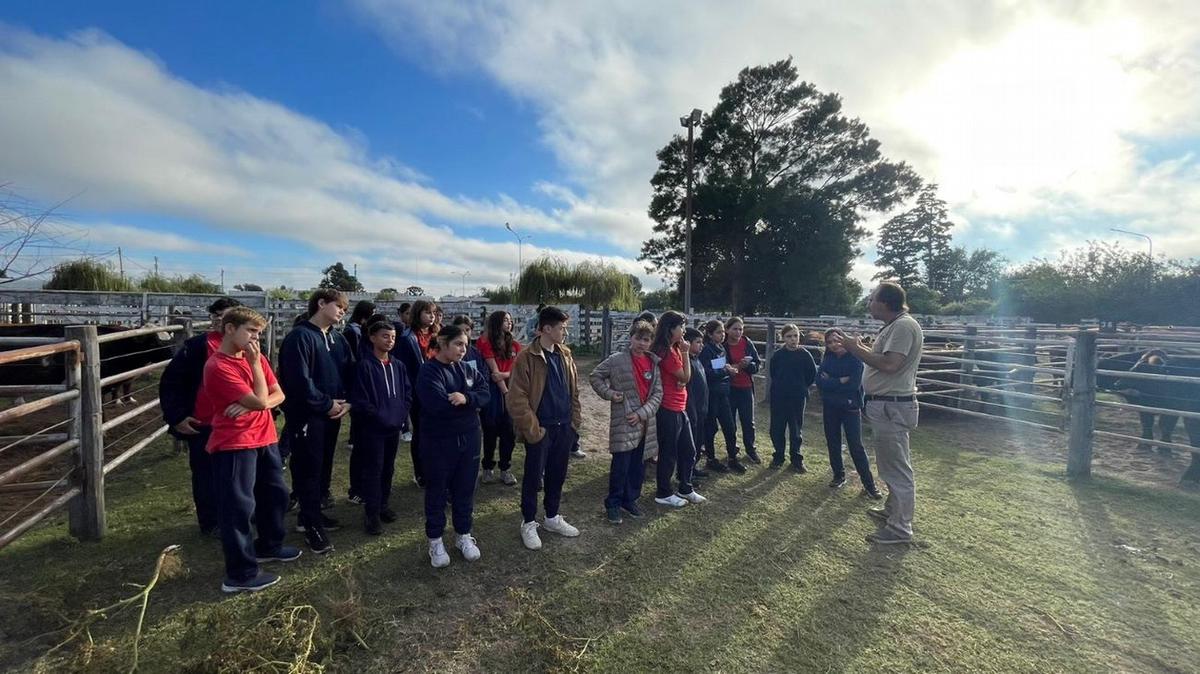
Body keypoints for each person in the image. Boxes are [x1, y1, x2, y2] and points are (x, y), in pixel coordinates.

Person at [200, 306, 297, 592]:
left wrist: (258, 401)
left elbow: (277, 394)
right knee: (238, 507)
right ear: (230, 329)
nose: (256, 339)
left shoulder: (257, 358)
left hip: (265, 436)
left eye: (259, 333)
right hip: (235, 442)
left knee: (275, 493)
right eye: (251, 331)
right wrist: (257, 382)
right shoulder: (218, 365)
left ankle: (268, 544)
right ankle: (240, 573)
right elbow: (259, 398)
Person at [829, 282, 923, 545]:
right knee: (891, 463)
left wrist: (854, 348)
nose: (868, 304)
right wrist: (860, 348)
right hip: (887, 404)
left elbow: (890, 364)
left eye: (871, 300)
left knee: (896, 468)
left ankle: (900, 529)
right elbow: (885, 359)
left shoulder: (904, 326)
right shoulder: (896, 325)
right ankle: (893, 512)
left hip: (892, 405)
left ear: (885, 302)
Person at [159, 296, 242, 537]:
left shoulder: (249, 346)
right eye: (216, 316)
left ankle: (239, 515)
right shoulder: (197, 346)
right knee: (206, 475)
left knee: (240, 474)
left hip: (240, 424)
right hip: (205, 424)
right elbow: (171, 382)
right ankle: (211, 521)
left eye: (225, 316)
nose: (220, 321)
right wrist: (176, 416)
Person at [278, 289, 351, 554]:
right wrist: (326, 403)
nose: (343, 311)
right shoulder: (300, 337)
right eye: (339, 305)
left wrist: (347, 400)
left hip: (333, 413)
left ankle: (314, 513)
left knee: (324, 465)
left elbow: (348, 370)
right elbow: (299, 382)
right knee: (308, 468)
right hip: (308, 416)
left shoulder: (337, 339)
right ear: (321, 303)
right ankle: (311, 525)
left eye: (345, 307)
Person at [508, 306, 582, 550]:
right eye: (561, 328)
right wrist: (534, 431)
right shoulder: (526, 357)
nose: (565, 332)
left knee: (557, 475)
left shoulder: (565, 355)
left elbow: (574, 392)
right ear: (546, 329)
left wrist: (573, 424)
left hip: (563, 428)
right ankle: (528, 522)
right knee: (532, 478)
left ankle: (552, 517)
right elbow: (517, 398)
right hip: (541, 430)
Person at [416, 324, 490, 567]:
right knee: (437, 489)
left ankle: (463, 535)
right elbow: (438, 405)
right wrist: (469, 405)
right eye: (458, 344)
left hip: (469, 438)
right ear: (443, 343)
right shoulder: (429, 372)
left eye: (466, 345)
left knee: (465, 488)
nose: (463, 349)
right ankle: (435, 540)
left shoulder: (466, 369)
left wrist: (466, 398)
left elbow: (484, 392)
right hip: (439, 441)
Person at [589, 320, 663, 524]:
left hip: (645, 423)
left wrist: (642, 414)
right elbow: (595, 376)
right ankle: (613, 503)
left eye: (646, 340)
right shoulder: (616, 360)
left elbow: (658, 394)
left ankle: (630, 500)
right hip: (624, 422)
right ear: (631, 338)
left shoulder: (654, 363)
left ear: (650, 342)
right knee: (621, 465)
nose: (641, 343)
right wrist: (611, 394)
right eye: (638, 338)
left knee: (637, 466)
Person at [347, 319, 411, 535]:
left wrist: (401, 414)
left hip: (393, 427)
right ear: (373, 337)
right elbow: (360, 399)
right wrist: (379, 416)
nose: (390, 341)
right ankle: (371, 513)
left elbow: (406, 394)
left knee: (388, 468)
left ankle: (383, 505)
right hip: (373, 429)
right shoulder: (364, 366)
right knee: (373, 469)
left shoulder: (398, 366)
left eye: (393, 337)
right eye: (385, 336)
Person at [817, 328, 882, 499]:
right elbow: (819, 383)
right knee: (833, 441)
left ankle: (869, 485)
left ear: (844, 340)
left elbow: (852, 385)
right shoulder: (827, 359)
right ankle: (838, 475)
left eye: (836, 340)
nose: (833, 345)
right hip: (831, 406)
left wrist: (830, 381)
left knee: (855, 445)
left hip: (850, 407)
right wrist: (839, 381)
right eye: (829, 342)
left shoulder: (855, 360)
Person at [650, 311, 705, 507]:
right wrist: (685, 353)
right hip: (668, 407)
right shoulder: (665, 350)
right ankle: (663, 492)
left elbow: (682, 377)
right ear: (670, 328)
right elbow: (684, 377)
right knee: (669, 452)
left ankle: (685, 487)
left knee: (688, 449)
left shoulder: (673, 348)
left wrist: (682, 359)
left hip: (680, 406)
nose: (683, 330)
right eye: (681, 326)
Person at [394, 300, 439, 487]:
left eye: (434, 313)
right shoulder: (407, 337)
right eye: (427, 312)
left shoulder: (437, 335)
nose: (432, 316)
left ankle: (434, 469)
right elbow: (403, 368)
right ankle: (420, 473)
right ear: (418, 313)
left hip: (438, 388)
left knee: (437, 432)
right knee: (421, 432)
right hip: (418, 391)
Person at [478, 310, 522, 486]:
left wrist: (505, 379)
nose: (509, 323)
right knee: (490, 430)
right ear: (496, 323)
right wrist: (505, 391)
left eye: (510, 321)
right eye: (505, 320)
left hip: (509, 389)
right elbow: (493, 374)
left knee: (508, 432)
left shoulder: (515, 346)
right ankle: (488, 467)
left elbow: (514, 372)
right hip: (492, 391)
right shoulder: (485, 343)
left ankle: (505, 468)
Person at [768, 324, 817, 472]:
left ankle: (796, 459)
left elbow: (811, 374)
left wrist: (801, 387)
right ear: (783, 338)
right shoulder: (778, 355)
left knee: (796, 429)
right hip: (779, 397)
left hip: (797, 397)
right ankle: (778, 457)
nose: (793, 339)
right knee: (777, 428)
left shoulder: (805, 355)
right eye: (789, 336)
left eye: (795, 336)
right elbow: (773, 373)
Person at [699, 320, 745, 473]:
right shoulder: (706, 350)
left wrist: (728, 371)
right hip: (712, 394)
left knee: (730, 427)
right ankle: (711, 459)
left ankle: (733, 458)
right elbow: (707, 372)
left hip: (724, 394)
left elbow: (720, 368)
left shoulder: (721, 349)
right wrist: (726, 371)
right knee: (711, 428)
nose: (722, 335)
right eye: (718, 332)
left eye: (723, 332)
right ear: (710, 334)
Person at [343, 300, 376, 506]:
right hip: (361, 402)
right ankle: (356, 489)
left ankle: (369, 488)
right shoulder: (353, 334)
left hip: (375, 408)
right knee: (361, 447)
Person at [725, 317, 762, 464]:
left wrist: (749, 365)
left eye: (740, 329)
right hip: (730, 388)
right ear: (727, 329)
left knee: (748, 421)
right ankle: (732, 448)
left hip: (746, 387)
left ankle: (750, 449)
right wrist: (735, 366)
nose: (738, 332)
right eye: (735, 328)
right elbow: (717, 365)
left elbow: (757, 364)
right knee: (730, 422)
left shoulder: (746, 342)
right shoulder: (723, 345)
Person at [683, 327, 710, 479]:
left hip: (702, 408)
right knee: (690, 443)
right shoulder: (687, 362)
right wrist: (691, 410)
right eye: (698, 342)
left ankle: (694, 467)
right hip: (692, 410)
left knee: (699, 440)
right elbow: (689, 390)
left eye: (702, 342)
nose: (701, 345)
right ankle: (686, 473)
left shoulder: (697, 359)